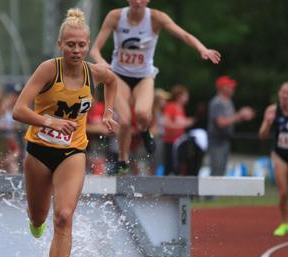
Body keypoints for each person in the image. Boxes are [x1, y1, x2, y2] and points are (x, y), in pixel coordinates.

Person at [12, 8, 117, 257]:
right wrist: (50, 121)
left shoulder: (92, 72)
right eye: (70, 44)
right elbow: (18, 110)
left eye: (82, 45)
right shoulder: (49, 69)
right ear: (60, 44)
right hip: (39, 152)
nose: (77, 49)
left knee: (64, 216)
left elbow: (113, 81)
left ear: (88, 45)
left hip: (73, 152)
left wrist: (108, 113)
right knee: (39, 216)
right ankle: (36, 222)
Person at [89, 0, 221, 174]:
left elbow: (184, 35)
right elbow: (94, 49)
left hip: (144, 76)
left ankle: (145, 130)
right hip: (118, 76)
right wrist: (102, 63)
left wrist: (201, 48)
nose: (137, 1)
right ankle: (122, 158)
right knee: (126, 121)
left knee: (143, 113)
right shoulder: (115, 16)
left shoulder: (156, 18)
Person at [259, 82, 288, 237]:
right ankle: (285, 223)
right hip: (279, 155)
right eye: (283, 92)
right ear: (279, 94)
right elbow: (262, 136)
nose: (285, 96)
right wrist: (267, 122)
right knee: (283, 193)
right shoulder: (272, 110)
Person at [207, 75, 255, 176]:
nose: (233, 88)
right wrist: (240, 115)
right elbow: (220, 122)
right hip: (217, 141)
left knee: (221, 171)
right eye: (230, 86)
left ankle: (216, 192)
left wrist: (243, 117)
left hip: (225, 140)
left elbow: (231, 120)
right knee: (216, 171)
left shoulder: (228, 102)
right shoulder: (217, 102)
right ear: (222, 87)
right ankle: (211, 192)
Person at [162, 85, 194, 175]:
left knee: (180, 165)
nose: (187, 97)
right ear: (179, 96)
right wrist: (180, 126)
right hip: (171, 141)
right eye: (185, 95)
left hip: (179, 141)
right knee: (170, 165)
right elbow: (166, 123)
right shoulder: (171, 107)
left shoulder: (180, 108)